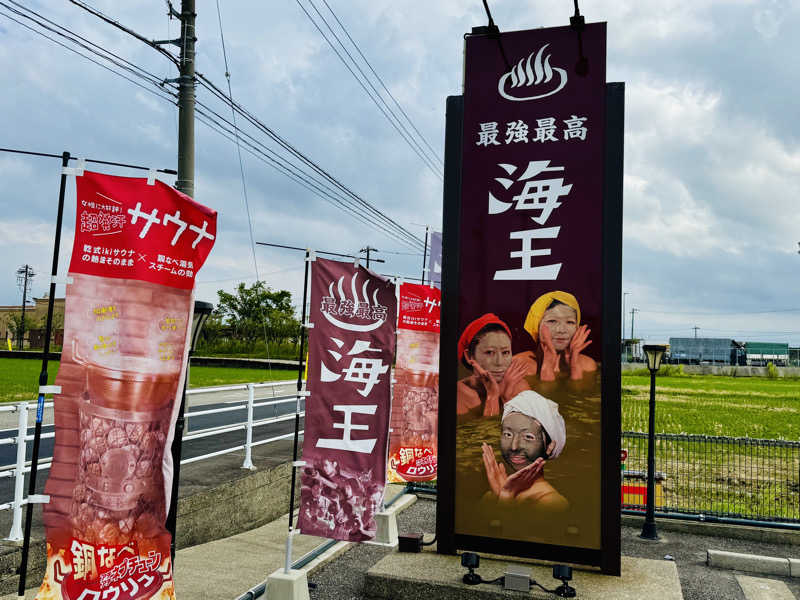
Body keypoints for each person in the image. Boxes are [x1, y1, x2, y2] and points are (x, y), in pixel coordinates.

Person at [481, 390, 568, 510]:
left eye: (528, 437)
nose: (514, 447)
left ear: (549, 447)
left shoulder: (553, 503)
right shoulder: (492, 495)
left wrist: (506, 497)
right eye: (508, 434)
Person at [457, 314, 536, 423]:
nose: (499, 363)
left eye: (505, 352)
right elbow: (486, 438)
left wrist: (506, 397)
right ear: (469, 356)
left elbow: (528, 432)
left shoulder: (518, 386)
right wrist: (492, 396)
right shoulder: (458, 395)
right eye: (489, 352)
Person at [520, 291, 596, 382]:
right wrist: (547, 366)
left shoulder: (588, 366)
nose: (561, 330)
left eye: (570, 322)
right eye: (552, 321)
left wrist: (575, 364)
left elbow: (579, 395)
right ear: (536, 325)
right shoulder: (520, 367)